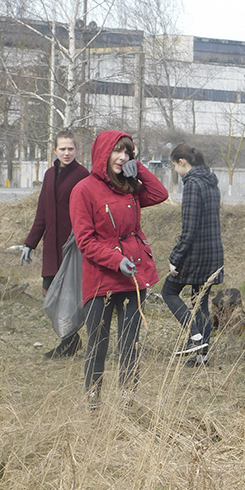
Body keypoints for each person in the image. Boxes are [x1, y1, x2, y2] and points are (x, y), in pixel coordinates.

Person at [69, 130, 168, 410]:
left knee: (130, 344)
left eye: (128, 153)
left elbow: (160, 194)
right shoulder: (84, 190)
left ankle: (127, 402)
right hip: (101, 278)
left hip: (134, 277)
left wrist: (141, 171)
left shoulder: (131, 186)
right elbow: (85, 241)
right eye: (117, 151)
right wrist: (115, 261)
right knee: (98, 343)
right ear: (104, 153)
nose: (123, 157)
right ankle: (93, 403)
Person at [22, 131, 89, 359]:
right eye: (62, 149)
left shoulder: (83, 175)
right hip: (52, 246)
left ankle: (72, 341)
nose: (67, 153)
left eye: (70, 148)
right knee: (48, 292)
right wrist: (30, 243)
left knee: (71, 294)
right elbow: (42, 211)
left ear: (76, 150)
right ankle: (70, 340)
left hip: (74, 247)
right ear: (54, 151)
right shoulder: (50, 174)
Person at [162, 144, 224, 366]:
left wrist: (175, 258)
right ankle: (202, 357)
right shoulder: (210, 182)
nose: (176, 171)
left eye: (174, 166)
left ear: (181, 162)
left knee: (168, 291)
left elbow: (189, 229)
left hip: (196, 255)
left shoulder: (192, 185)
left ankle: (194, 337)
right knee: (200, 302)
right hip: (213, 253)